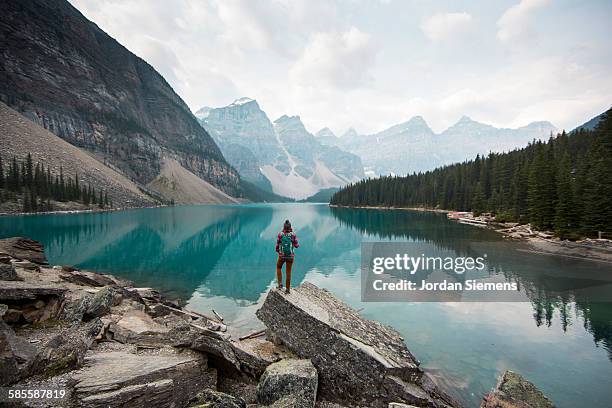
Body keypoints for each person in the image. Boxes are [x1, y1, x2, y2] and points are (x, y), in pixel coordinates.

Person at [275, 219, 299, 294]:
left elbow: (277, 244)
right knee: (288, 272)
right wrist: (296, 245)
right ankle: (287, 289)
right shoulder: (293, 235)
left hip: (282, 256)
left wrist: (278, 251)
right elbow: (296, 245)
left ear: (284, 227)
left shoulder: (280, 234)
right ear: (290, 227)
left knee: (279, 267)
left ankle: (280, 284)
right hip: (290, 257)